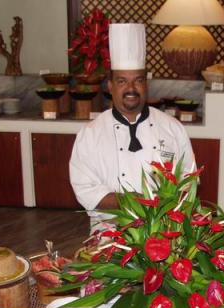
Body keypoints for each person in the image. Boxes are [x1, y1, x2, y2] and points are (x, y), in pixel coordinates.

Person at [69, 23, 196, 230]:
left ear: (146, 84)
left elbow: (189, 181)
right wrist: (132, 202)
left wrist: (165, 210)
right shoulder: (90, 134)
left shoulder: (172, 128)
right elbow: (85, 188)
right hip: (109, 232)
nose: (131, 88)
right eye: (122, 81)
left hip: (165, 232)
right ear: (110, 86)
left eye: (138, 80)